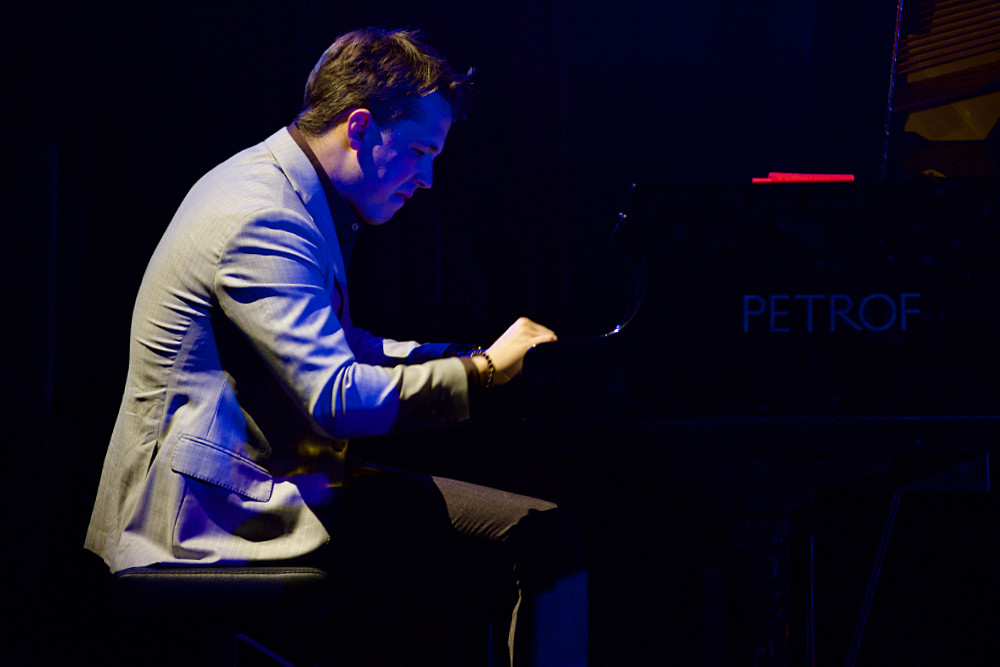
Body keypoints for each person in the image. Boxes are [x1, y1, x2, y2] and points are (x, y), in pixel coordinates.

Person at [85, 27, 588, 666]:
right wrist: (482, 372)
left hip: (259, 483)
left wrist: (461, 356)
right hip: (207, 517)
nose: (428, 178)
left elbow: (341, 345)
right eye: (419, 151)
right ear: (359, 127)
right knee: (533, 539)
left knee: (517, 534)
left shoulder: (288, 190)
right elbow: (336, 398)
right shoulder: (263, 214)